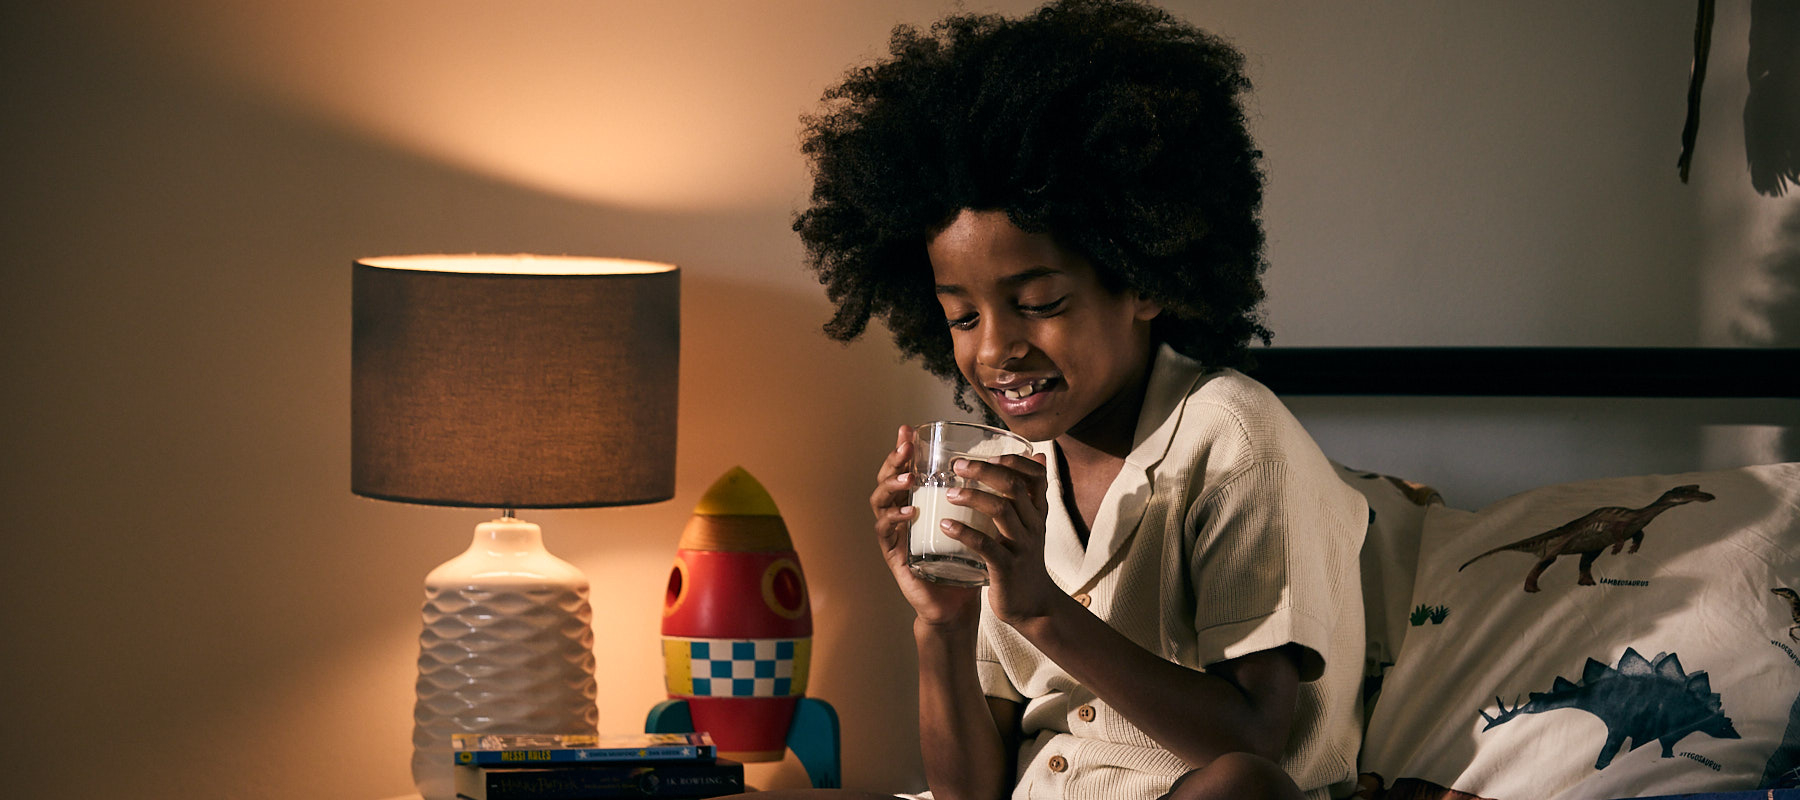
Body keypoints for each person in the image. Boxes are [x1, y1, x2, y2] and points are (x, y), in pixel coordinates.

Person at [793, 2, 1367, 799]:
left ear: (1142, 279)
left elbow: (1255, 742)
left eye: (1039, 303)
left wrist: (1039, 611)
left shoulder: (1234, 438)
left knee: (1244, 789)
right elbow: (968, 793)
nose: (993, 350)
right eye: (962, 316)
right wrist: (944, 622)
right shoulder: (998, 473)